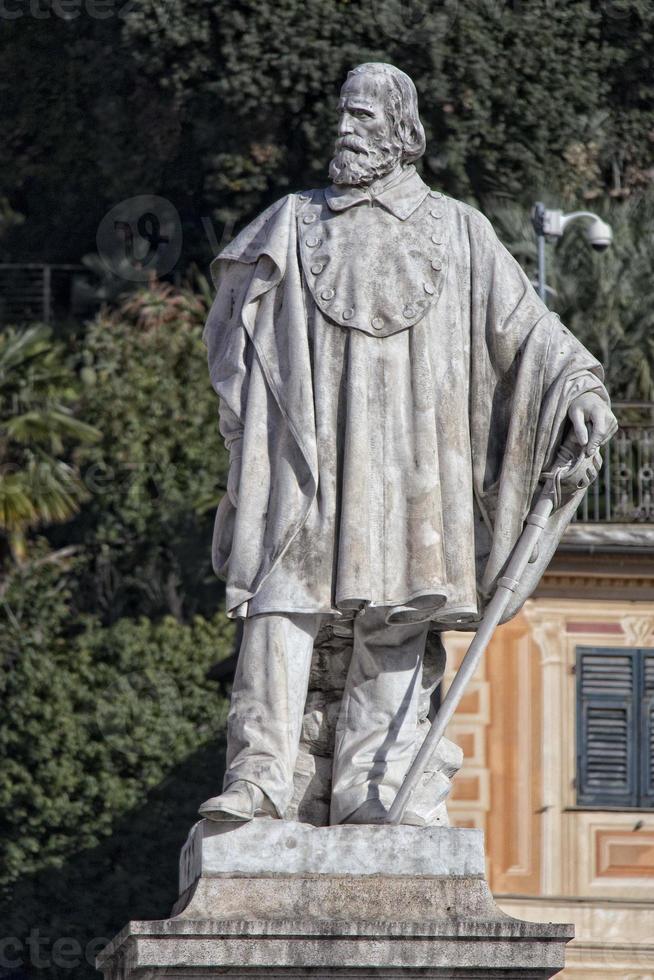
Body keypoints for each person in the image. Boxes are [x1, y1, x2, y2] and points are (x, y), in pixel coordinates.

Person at [199, 62, 617, 826]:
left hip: (415, 465)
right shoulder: (292, 222)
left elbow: (526, 331)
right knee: (280, 601)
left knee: (397, 612)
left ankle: (374, 785)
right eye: (342, 114)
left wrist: (582, 389)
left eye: (362, 116)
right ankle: (260, 775)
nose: (344, 130)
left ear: (402, 131)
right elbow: (233, 323)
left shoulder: (457, 229)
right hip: (309, 455)